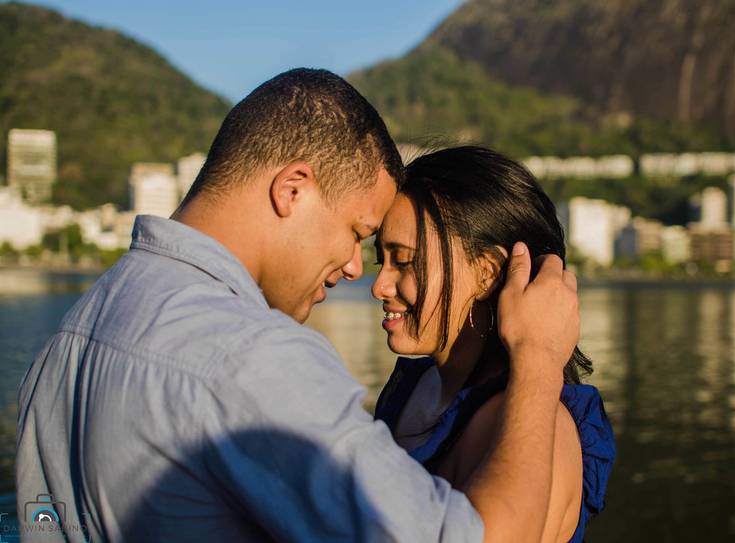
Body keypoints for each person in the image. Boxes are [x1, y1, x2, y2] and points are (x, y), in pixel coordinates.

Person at [16, 70, 580, 542]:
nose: (358, 270)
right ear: (293, 190)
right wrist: (538, 358)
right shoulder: (250, 359)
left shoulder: (70, 335)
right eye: (358, 233)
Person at [372, 146, 616, 542]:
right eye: (378, 261)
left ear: (486, 274)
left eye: (404, 261)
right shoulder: (412, 387)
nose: (380, 285)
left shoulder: (539, 423)